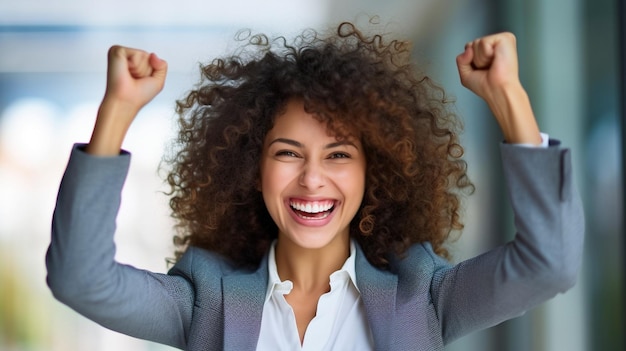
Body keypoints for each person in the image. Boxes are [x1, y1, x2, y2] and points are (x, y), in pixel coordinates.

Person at [46, 22, 584, 350]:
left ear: (374, 173)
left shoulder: (423, 296)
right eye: (287, 153)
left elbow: (549, 264)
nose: (311, 178)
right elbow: (80, 280)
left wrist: (508, 96)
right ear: (250, 169)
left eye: (339, 155)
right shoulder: (205, 300)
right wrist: (117, 110)